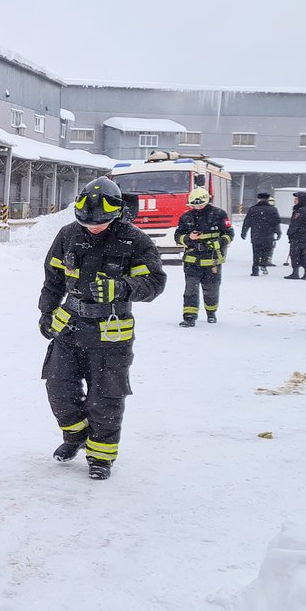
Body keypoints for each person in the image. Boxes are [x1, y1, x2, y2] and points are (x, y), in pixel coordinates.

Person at [38, 177, 166, 480]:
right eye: (87, 222)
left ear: (116, 213)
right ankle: (76, 436)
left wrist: (121, 288)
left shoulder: (134, 240)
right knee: (58, 388)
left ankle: (101, 456)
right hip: (69, 326)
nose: (93, 227)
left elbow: (154, 283)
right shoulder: (69, 235)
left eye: (100, 222)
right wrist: (46, 313)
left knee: (105, 398)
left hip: (111, 332)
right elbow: (53, 279)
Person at [175, 186, 233, 326]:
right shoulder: (186, 217)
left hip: (212, 261)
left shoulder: (219, 214)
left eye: (200, 204)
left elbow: (229, 234)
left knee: (211, 290)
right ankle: (189, 317)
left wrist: (218, 243)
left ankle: (211, 313)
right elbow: (178, 236)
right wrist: (189, 237)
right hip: (192, 261)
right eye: (194, 205)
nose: (198, 207)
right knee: (190, 290)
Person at [241, 191, 281, 275]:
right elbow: (276, 222)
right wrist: (278, 233)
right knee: (266, 251)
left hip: (256, 234)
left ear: (258, 199)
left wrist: (244, 232)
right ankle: (263, 263)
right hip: (268, 235)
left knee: (256, 252)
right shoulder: (273, 209)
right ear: (268, 199)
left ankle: (255, 269)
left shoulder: (253, 209)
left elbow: (247, 222)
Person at [284, 191, 306, 280]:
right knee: (301, 254)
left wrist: (290, 233)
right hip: (304, 236)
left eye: (296, 199)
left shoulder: (301, 211)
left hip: (299, 236)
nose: (295, 201)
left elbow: (295, 224)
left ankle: (297, 272)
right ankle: (305, 271)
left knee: (296, 254)